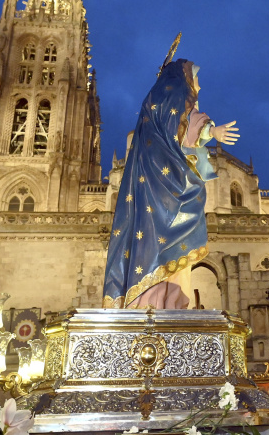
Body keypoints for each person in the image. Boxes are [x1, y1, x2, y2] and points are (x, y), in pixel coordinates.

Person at [102, 58, 240, 309]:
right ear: (182, 81)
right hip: (169, 197)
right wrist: (211, 132)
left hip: (151, 196)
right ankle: (162, 304)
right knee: (167, 249)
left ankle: (153, 303)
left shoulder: (152, 108)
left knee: (153, 249)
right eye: (196, 79)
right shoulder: (170, 103)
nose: (199, 86)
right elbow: (181, 124)